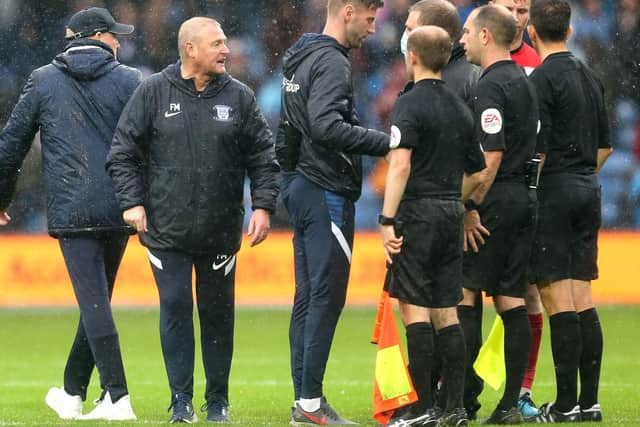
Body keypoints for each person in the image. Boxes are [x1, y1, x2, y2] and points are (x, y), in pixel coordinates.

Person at [106, 17, 279, 424]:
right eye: (217, 44)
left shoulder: (239, 97)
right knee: (176, 307)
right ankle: (180, 400)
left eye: (225, 44)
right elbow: (122, 152)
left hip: (220, 231)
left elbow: (263, 158)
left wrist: (263, 206)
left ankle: (217, 401)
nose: (226, 51)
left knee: (218, 315)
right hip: (166, 231)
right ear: (190, 49)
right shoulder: (152, 92)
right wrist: (132, 202)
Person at [0, 7, 140, 421]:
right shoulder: (131, 80)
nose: (119, 41)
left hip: (72, 208)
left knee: (94, 302)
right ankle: (72, 390)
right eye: (114, 35)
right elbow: (149, 144)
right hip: (121, 205)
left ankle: (117, 396)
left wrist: (1, 197)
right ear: (96, 35)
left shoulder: (43, 80)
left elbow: (11, 145)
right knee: (97, 301)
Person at [276, 0, 390, 424]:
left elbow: (289, 127)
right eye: (369, 17)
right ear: (346, 11)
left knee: (307, 297)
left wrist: (288, 179)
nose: (373, 28)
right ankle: (309, 404)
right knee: (325, 296)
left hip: (302, 184)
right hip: (325, 187)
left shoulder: (300, 55)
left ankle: (303, 400)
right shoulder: (332, 62)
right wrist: (387, 142)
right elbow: (325, 126)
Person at [381, 26, 487, 427]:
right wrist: (450, 200)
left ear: (412, 57)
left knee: (415, 311)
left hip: (418, 214)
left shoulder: (409, 104)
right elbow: (478, 173)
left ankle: (421, 407)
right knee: (448, 312)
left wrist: (387, 219)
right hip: (450, 214)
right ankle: (454, 407)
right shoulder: (460, 107)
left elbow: (401, 164)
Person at [527, 0, 612, 422]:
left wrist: (538, 189)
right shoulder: (589, 76)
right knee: (582, 297)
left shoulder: (541, 80)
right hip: (587, 188)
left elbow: (537, 151)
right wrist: (581, 175)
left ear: (531, 33)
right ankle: (590, 402)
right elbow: (605, 146)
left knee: (556, 297)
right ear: (570, 31)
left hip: (556, 190)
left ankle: (563, 405)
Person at [459, 4, 539, 424]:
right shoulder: (525, 80)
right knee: (510, 299)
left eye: (468, 32)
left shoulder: (489, 86)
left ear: (486, 36)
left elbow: (490, 158)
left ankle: (458, 397)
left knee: (467, 292)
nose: (463, 39)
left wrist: (468, 206)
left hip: (496, 201)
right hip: (525, 196)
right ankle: (509, 402)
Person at [489, 0, 543, 418]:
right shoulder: (477, 57)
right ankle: (460, 384)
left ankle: (521, 390)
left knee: (527, 294)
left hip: (522, 192)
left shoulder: (538, 63)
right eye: (508, 7)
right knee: (470, 293)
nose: (516, 16)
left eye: (523, 8)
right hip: (490, 193)